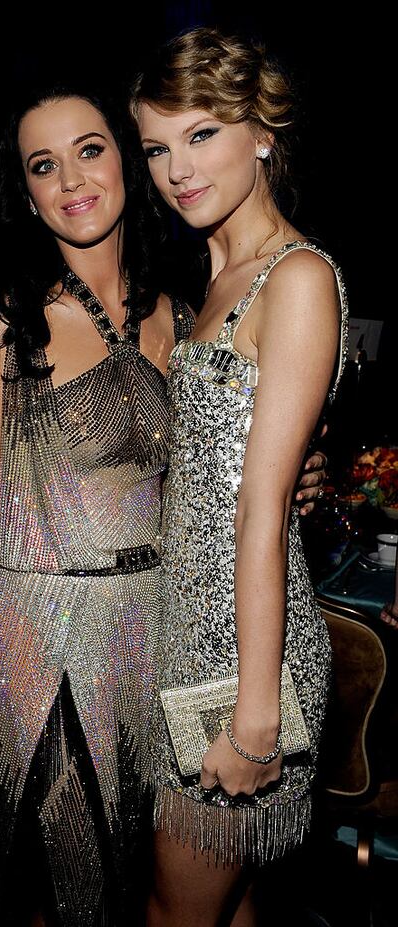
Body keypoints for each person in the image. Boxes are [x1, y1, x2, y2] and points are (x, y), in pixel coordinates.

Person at [0, 86, 325, 926]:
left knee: (183, 880)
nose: (72, 179)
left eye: (90, 149)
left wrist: (293, 469)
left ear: (128, 162)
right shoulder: (4, 329)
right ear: (28, 192)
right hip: (42, 640)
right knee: (75, 890)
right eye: (45, 164)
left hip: (161, 634)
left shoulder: (183, 313)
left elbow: (221, 465)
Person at [129, 26, 349, 927]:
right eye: (155, 146)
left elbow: (261, 508)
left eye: (201, 134)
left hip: (244, 658)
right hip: (193, 633)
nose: (175, 167)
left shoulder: (294, 277)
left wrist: (256, 717)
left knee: (173, 911)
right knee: (228, 900)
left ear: (262, 132)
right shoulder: (216, 272)